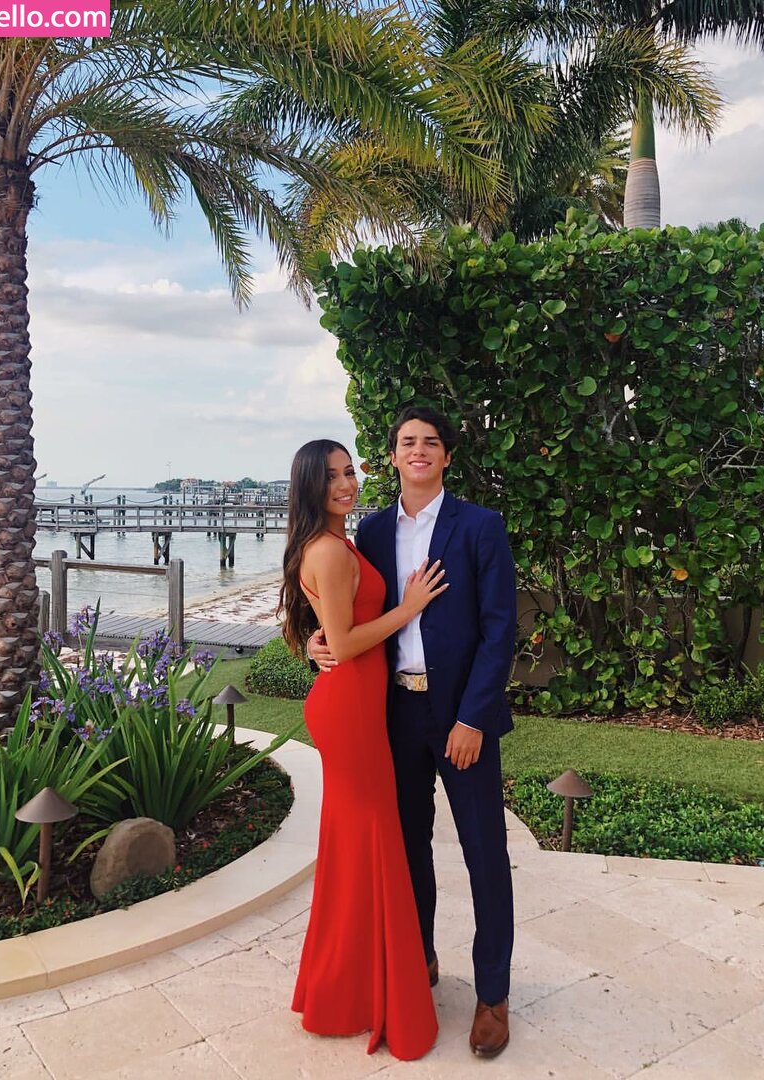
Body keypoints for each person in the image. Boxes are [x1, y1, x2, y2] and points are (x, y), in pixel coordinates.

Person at [311, 406, 517, 1058]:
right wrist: (314, 642)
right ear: (393, 456)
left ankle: (492, 994)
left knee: (485, 854)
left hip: (461, 720)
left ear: (446, 456)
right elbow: (340, 605)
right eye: (408, 442)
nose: (419, 450)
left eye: (430, 442)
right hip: (393, 716)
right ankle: (417, 961)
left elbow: (500, 631)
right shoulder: (370, 531)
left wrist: (472, 717)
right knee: (406, 850)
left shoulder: (480, 527)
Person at [279, 438, 446, 1061]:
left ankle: (353, 983)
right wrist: (410, 608)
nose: (346, 484)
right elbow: (346, 644)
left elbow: (327, 630)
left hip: (357, 705)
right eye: (331, 477)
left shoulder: (339, 542)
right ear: (309, 486)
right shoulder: (327, 549)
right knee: (372, 840)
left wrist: (316, 639)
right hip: (347, 709)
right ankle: (361, 990)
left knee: (358, 847)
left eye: (349, 471)